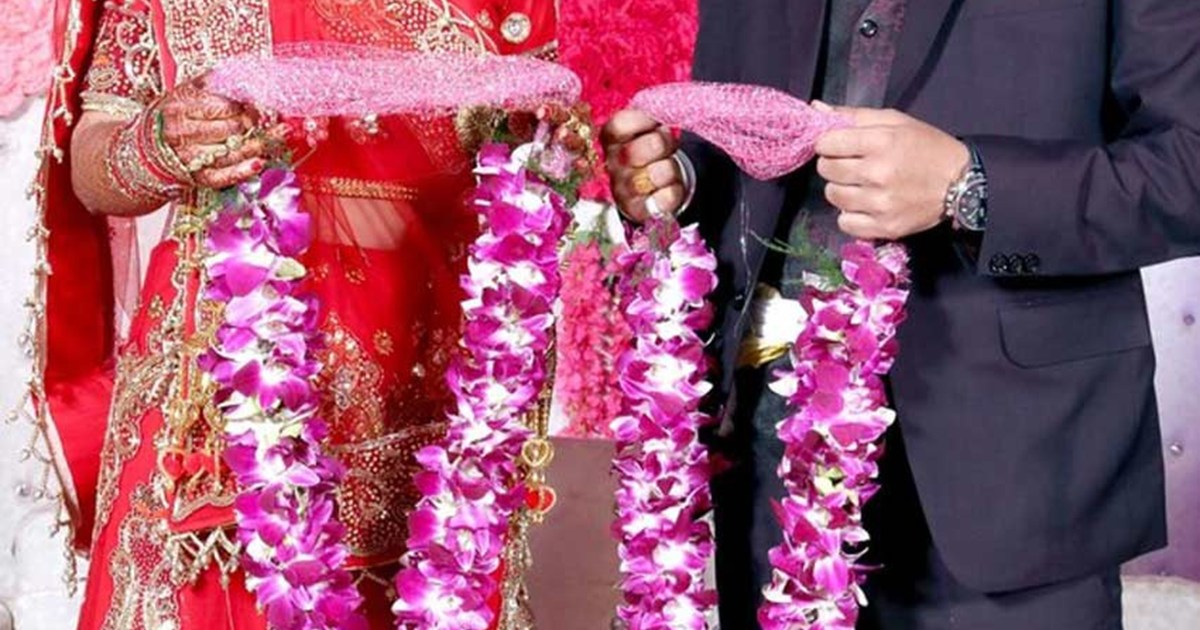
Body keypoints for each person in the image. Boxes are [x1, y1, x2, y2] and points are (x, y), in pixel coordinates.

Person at [603, 1, 1200, 628]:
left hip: (1019, 472)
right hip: (772, 463)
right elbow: (735, 144)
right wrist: (677, 182)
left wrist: (970, 186)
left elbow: (1189, 164)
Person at [31, 0, 557, 627]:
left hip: (435, 432)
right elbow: (92, 158)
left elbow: (543, 152)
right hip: (220, 413)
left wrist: (571, 155)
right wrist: (157, 146)